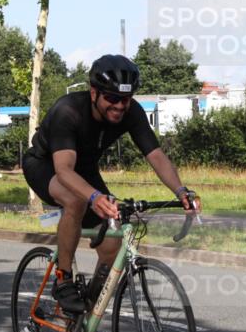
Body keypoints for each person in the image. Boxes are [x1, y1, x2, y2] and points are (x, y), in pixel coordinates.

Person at [23, 54, 200, 313]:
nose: (119, 106)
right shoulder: (68, 111)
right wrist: (95, 198)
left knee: (111, 245)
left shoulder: (132, 112)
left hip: (85, 171)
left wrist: (181, 191)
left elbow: (156, 156)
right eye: (112, 98)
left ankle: (86, 324)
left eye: (125, 100)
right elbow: (63, 170)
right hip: (45, 165)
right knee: (75, 200)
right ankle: (63, 279)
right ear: (94, 93)